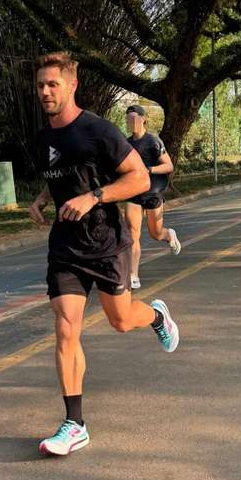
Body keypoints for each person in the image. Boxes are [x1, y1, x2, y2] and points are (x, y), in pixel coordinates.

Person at [28, 52, 180, 456]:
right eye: (40, 84)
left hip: (105, 242)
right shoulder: (43, 137)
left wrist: (94, 197)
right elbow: (63, 172)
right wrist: (42, 198)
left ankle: (156, 315)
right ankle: (74, 423)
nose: (45, 91)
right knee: (65, 327)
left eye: (52, 84)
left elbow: (139, 177)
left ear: (71, 85)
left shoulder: (98, 129)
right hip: (65, 246)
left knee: (121, 320)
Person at [123, 104, 181, 289]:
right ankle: (133, 275)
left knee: (155, 233)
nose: (131, 121)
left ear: (143, 119)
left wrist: (148, 169)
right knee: (132, 233)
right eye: (128, 118)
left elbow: (169, 166)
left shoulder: (153, 141)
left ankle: (168, 235)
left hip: (153, 191)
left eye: (134, 117)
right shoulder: (125, 143)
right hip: (133, 192)